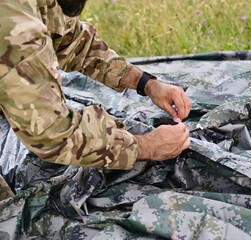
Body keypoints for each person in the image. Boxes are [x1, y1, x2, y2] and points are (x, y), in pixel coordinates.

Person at [0, 0, 192, 182]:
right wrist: (148, 145)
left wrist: (147, 84)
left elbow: (73, 42)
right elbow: (54, 133)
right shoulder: (15, 25)